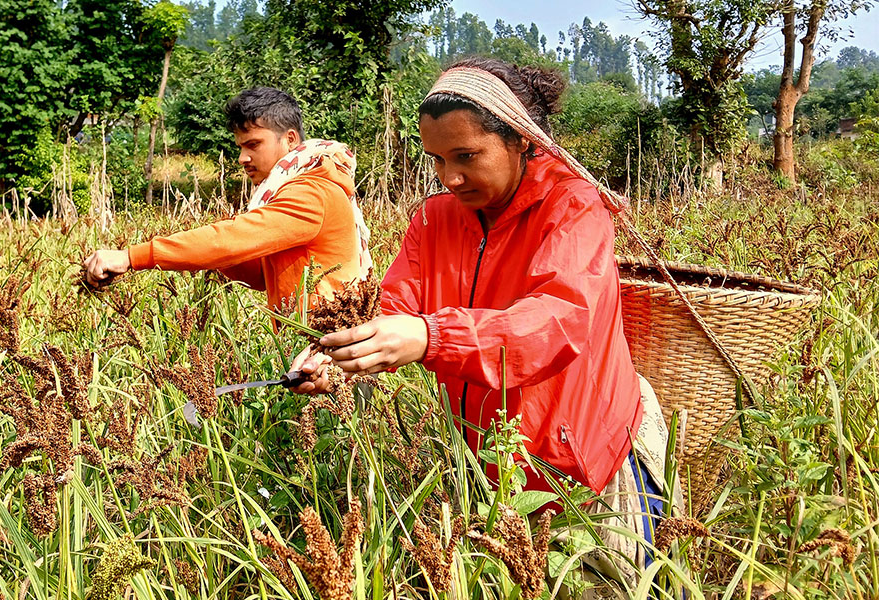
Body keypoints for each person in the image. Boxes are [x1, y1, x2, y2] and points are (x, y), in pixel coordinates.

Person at [293, 58, 681, 587]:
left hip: (586, 455)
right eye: (435, 159)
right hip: (490, 459)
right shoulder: (435, 218)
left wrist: (433, 336)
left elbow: (558, 320)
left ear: (522, 139)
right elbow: (396, 303)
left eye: (466, 156)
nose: (449, 178)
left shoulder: (573, 207)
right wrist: (341, 351)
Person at [83, 87, 372, 310]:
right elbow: (262, 275)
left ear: (291, 139)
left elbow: (231, 239)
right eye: (240, 147)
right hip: (310, 357)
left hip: (337, 362)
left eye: (253, 145)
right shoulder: (294, 187)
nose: (243, 157)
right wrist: (213, 258)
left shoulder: (312, 192)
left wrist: (131, 257)